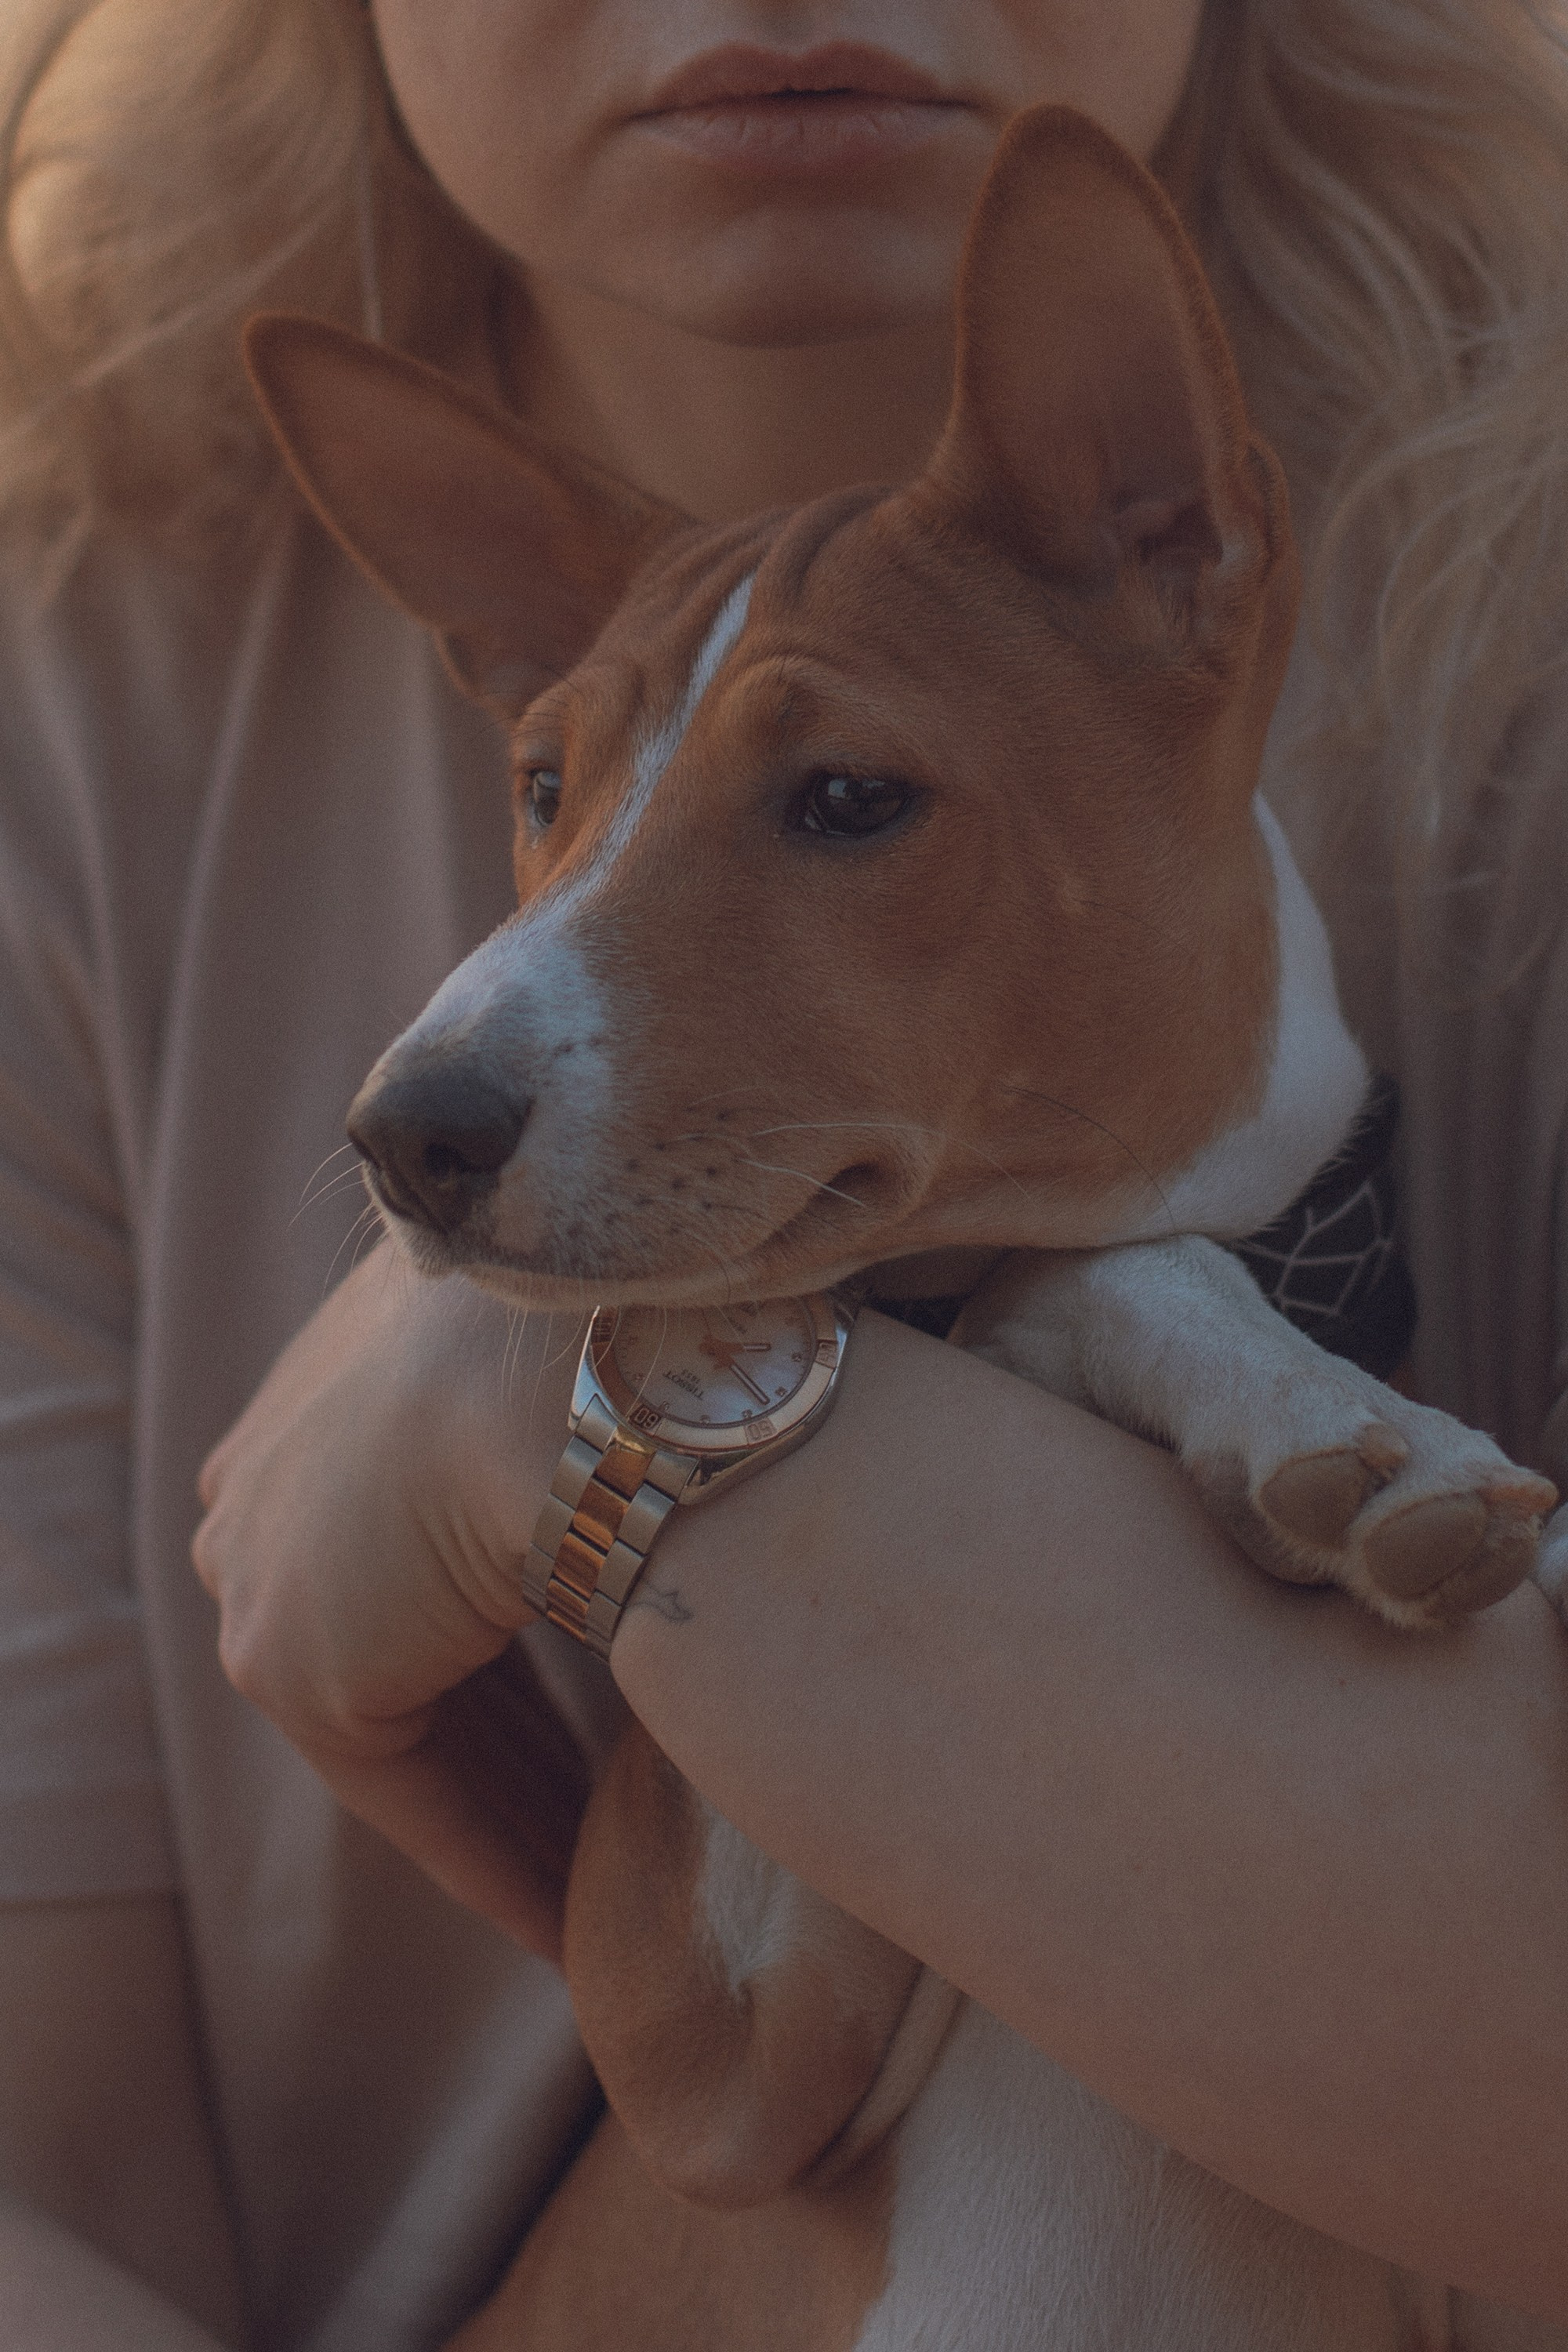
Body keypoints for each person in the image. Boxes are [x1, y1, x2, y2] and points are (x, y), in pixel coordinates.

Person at [4, 0, 1568, 2345]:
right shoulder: (63, 698)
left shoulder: (1503, 682)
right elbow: (48, 2191)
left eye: (843, 806)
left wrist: (560, 1415)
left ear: (1178, 520)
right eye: (548, 779)